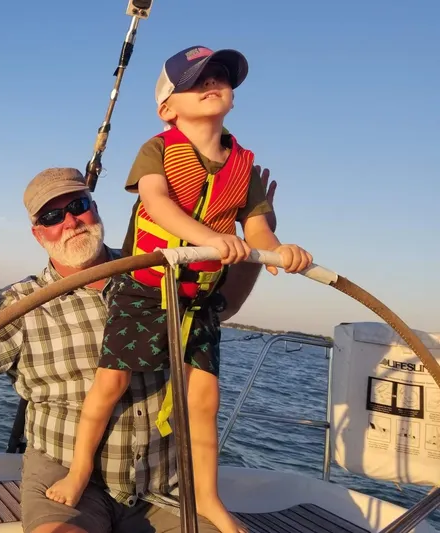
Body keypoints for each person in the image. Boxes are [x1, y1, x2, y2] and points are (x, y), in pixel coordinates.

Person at [0, 164, 278, 533]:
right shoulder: (23, 303)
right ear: (38, 234)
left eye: (78, 206)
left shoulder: (154, 273)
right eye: (53, 216)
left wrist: (259, 236)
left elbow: (222, 304)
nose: (71, 221)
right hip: (65, 479)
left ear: (95, 208)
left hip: (163, 486)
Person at [44, 46, 312, 533]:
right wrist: (210, 238)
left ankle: (206, 497)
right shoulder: (158, 150)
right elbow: (158, 201)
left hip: (199, 297)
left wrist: (279, 250)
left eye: (220, 77)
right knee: (112, 383)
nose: (212, 83)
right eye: (196, 81)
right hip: (146, 289)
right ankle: (81, 469)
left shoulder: (245, 168)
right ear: (168, 107)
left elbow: (257, 228)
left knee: (204, 397)